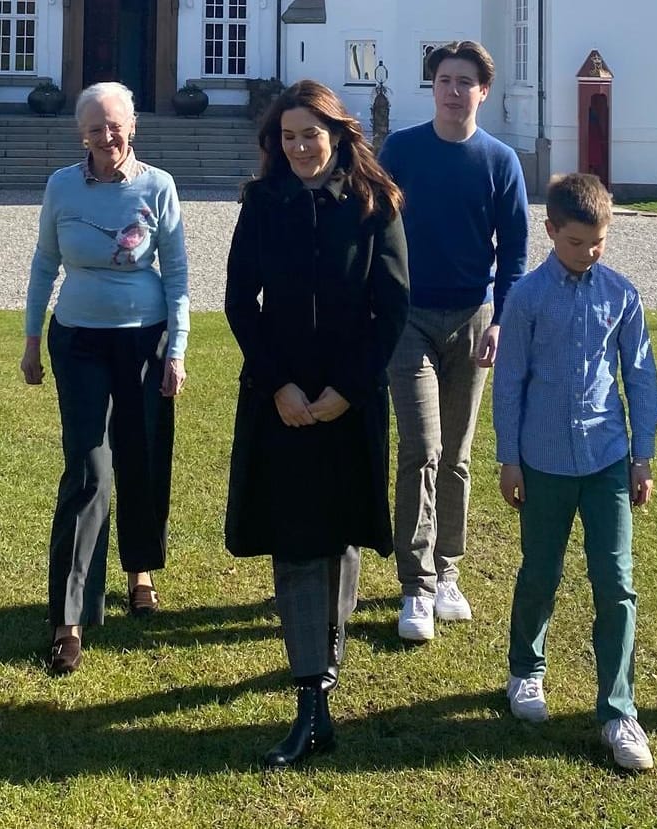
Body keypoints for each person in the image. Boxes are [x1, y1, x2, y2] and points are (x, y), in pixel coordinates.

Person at [224, 79, 409, 768]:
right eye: (289, 135)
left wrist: (347, 389)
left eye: (312, 133)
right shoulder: (263, 204)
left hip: (348, 397)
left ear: (337, 135)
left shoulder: (373, 204)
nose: (301, 146)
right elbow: (242, 299)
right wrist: (280, 385)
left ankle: (323, 667)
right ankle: (312, 699)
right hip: (281, 398)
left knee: (341, 534)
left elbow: (390, 306)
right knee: (299, 541)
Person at [493, 173, 657, 772]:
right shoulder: (527, 297)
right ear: (551, 232)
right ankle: (525, 671)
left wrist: (643, 455)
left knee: (616, 583)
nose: (587, 254)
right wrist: (508, 457)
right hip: (542, 462)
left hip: (607, 460)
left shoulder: (622, 295)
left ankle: (619, 710)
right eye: (574, 243)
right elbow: (509, 380)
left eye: (597, 243)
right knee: (540, 571)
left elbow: (639, 376)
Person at [22, 81, 188, 675]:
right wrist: (32, 339)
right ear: (80, 133)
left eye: (114, 125)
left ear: (133, 125)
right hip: (80, 341)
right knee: (90, 467)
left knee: (142, 456)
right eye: (94, 128)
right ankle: (69, 615)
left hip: (146, 341)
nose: (106, 137)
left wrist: (179, 349)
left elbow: (178, 275)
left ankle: (140, 570)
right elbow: (45, 262)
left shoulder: (158, 186)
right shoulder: (62, 186)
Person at [378, 40, 529, 641]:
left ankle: (448, 572)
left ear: (482, 92)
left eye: (465, 81)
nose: (453, 90)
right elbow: (374, 224)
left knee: (458, 457)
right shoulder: (402, 150)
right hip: (409, 317)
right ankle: (414, 585)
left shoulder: (500, 161)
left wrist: (501, 322)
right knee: (421, 446)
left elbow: (515, 252)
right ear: (432, 86)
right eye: (444, 79)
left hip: (472, 318)